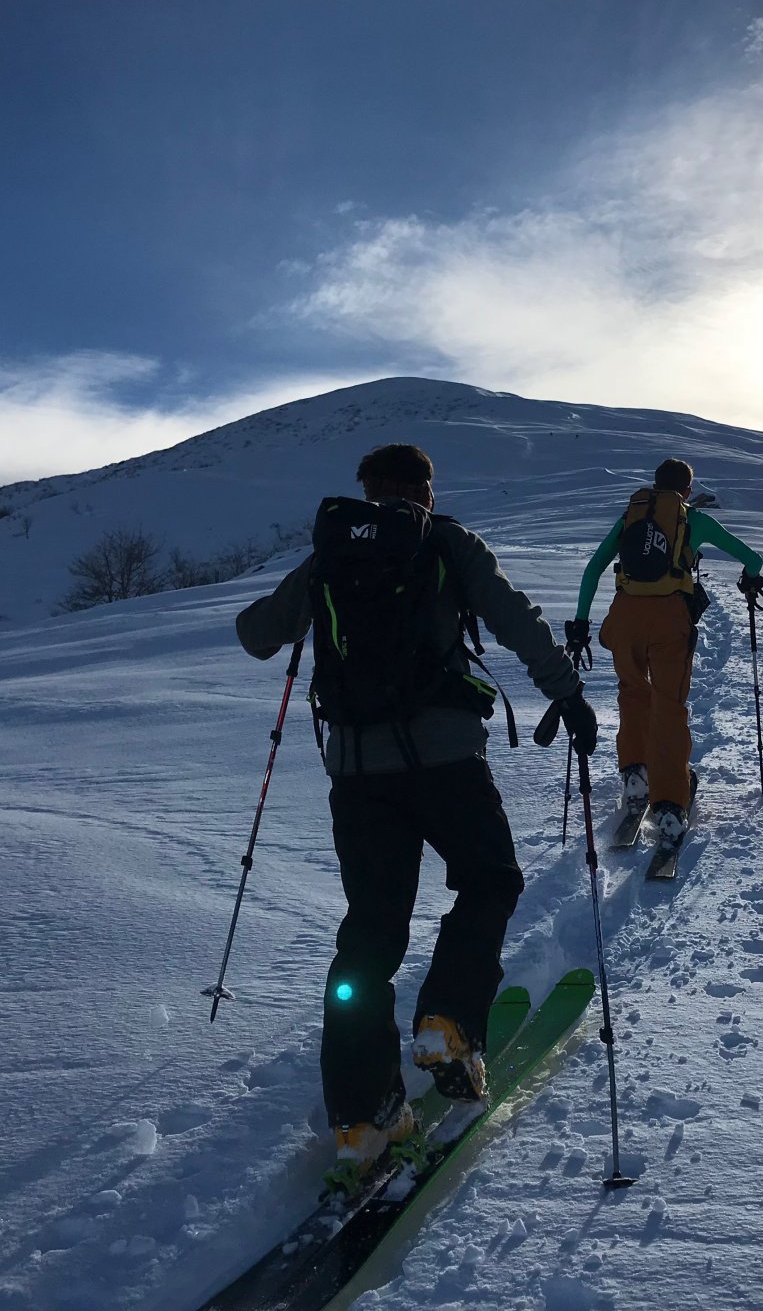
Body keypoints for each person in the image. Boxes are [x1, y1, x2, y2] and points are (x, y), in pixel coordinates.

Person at [234, 443, 596, 1180]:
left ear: (367, 489)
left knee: (369, 934)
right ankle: (448, 1022)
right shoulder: (446, 541)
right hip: (445, 762)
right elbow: (516, 619)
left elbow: (256, 634)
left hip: (356, 774)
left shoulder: (332, 552)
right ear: (426, 490)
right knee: (490, 881)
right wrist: (567, 693)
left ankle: (361, 1118)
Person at [565, 458, 763, 846]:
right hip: (669, 621)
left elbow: (594, 568)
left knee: (632, 694)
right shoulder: (693, 520)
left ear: (655, 486)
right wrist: (750, 579)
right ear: (687, 490)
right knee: (669, 706)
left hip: (624, 618)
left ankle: (635, 777)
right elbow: (752, 559)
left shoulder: (632, 516)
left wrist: (581, 623)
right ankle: (670, 805)